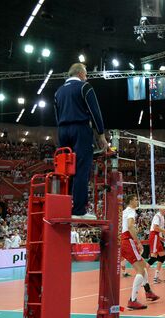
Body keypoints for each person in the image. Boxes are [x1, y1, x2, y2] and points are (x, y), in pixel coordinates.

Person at [54, 63, 109, 219]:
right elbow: (95, 111)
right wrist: (100, 134)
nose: (87, 77)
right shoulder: (85, 87)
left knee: (65, 170)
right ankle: (78, 210)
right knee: (81, 169)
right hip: (80, 129)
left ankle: (63, 207)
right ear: (80, 74)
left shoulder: (58, 92)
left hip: (63, 130)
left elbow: (57, 116)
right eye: (86, 74)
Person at [120, 195, 159, 310]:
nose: (138, 201)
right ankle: (132, 300)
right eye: (136, 199)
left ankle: (148, 292)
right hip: (127, 240)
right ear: (131, 201)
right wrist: (138, 242)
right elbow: (131, 226)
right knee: (140, 270)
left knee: (142, 265)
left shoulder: (123, 212)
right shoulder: (131, 211)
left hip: (122, 240)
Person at [147, 209, 165, 284]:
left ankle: (156, 278)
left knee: (162, 257)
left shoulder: (162, 217)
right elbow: (155, 228)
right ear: (160, 209)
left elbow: (157, 230)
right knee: (153, 257)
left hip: (156, 236)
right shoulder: (157, 216)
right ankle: (141, 276)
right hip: (154, 236)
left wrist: (161, 237)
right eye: (164, 208)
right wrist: (164, 231)